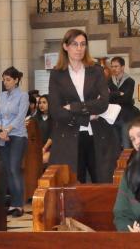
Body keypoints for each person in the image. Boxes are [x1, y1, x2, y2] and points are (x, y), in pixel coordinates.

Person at [48, 28, 118, 183]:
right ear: (65, 47)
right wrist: (86, 118)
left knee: (102, 185)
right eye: (74, 44)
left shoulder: (96, 71)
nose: (79, 48)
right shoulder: (57, 75)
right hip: (69, 137)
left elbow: (103, 103)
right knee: (73, 188)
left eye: (82, 44)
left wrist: (73, 107)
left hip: (98, 135)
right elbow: (56, 111)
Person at [0, 66, 29, 217]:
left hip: (17, 135)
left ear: (16, 80)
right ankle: (12, 204)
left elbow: (20, 117)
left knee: (15, 169)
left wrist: (7, 130)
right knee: (8, 170)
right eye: (4, 80)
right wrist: (0, 130)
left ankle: (19, 204)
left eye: (8, 80)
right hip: (3, 136)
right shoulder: (1, 96)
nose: (5, 82)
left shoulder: (23, 96)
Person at [108, 56, 140, 148]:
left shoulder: (130, 81)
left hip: (125, 116)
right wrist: (119, 93)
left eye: (116, 66)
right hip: (113, 116)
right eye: (112, 66)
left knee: (126, 143)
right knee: (115, 145)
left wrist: (113, 95)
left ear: (122, 67)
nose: (114, 69)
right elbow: (107, 97)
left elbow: (126, 99)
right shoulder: (109, 81)